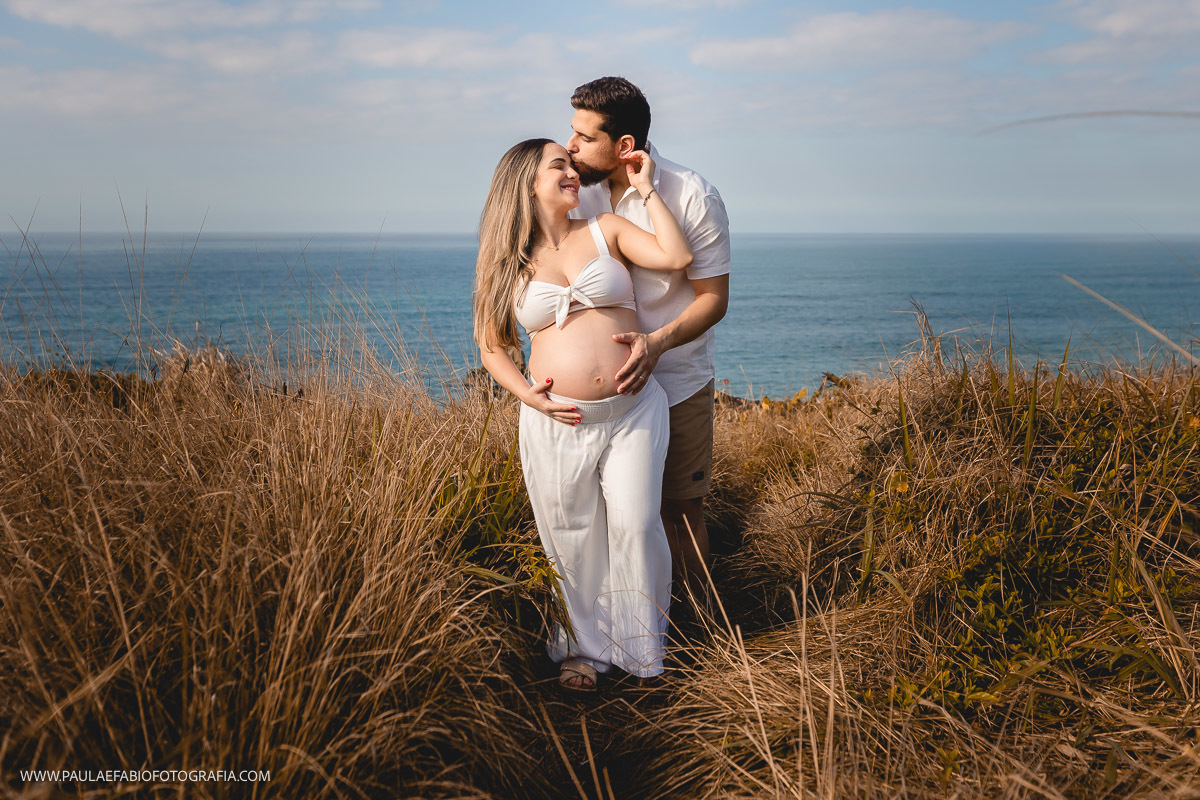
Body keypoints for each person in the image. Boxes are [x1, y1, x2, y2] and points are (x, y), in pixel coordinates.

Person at [472, 138, 693, 692]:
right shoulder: (507, 261)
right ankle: (582, 653)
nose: (573, 172)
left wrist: (645, 189)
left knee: (637, 522)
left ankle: (642, 655)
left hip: (632, 410)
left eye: (571, 164)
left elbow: (676, 257)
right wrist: (527, 395)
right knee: (570, 536)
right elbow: (491, 346)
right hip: (557, 421)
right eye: (559, 165)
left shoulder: (605, 230)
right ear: (527, 182)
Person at [566, 77, 731, 593]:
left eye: (583, 138)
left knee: (677, 513)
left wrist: (656, 344)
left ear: (624, 147)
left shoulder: (693, 194)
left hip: (677, 381)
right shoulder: (575, 195)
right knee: (608, 516)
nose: (570, 147)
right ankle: (620, 632)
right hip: (601, 395)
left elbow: (713, 299)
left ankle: (700, 636)